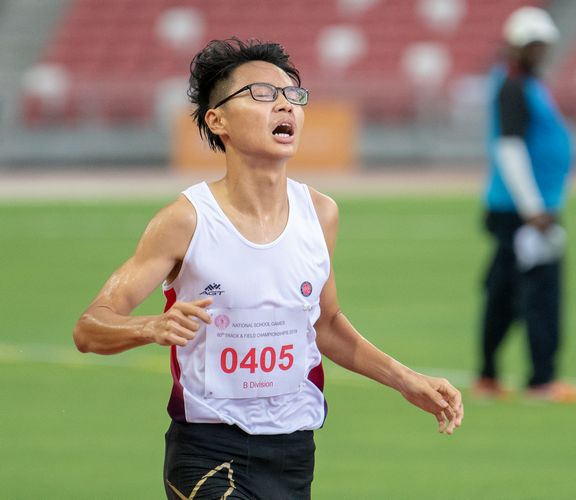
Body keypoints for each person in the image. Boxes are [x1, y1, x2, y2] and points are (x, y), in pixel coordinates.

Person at [73, 38, 463, 499]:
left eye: (293, 95)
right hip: (208, 451)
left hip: (294, 453)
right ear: (217, 120)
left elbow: (326, 324)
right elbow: (90, 327)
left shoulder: (320, 214)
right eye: (261, 94)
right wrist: (149, 327)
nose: (284, 105)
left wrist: (407, 380)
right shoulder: (186, 220)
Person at [474, 7, 576, 403]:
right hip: (527, 213)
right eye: (534, 44)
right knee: (539, 294)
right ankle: (541, 378)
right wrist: (534, 208)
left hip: (521, 209)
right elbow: (509, 147)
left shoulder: (524, 83)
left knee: (503, 292)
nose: (540, 51)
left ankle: (488, 374)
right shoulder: (514, 86)